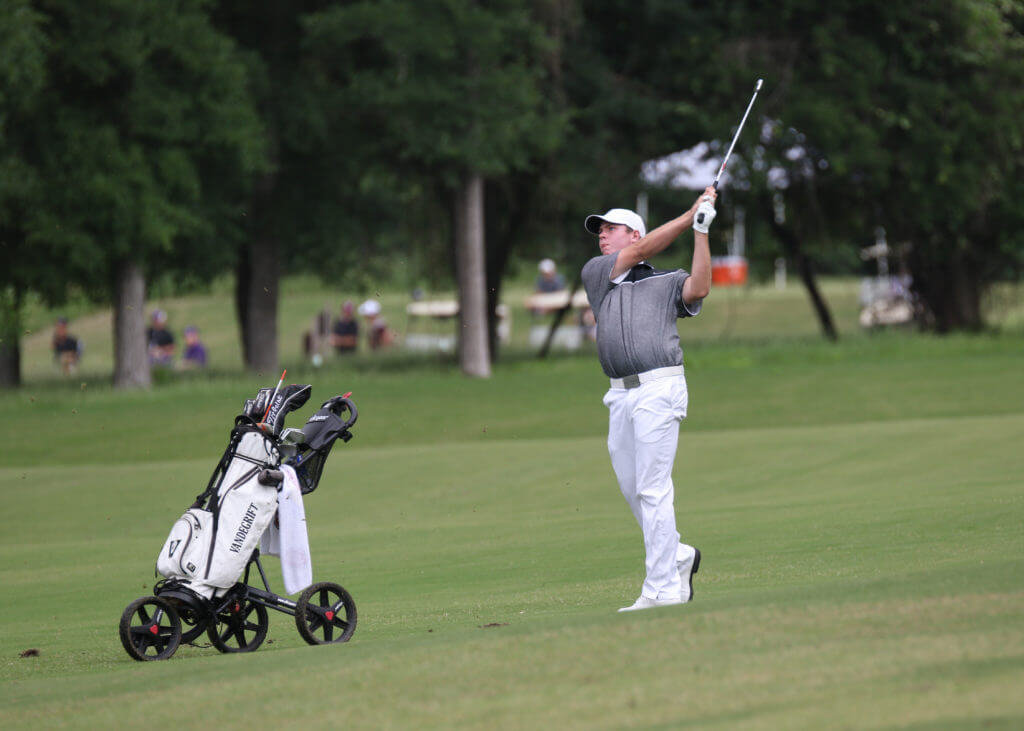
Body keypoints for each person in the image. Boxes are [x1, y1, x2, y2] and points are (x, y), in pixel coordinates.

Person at [580, 187, 717, 612]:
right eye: (599, 230)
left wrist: (700, 231)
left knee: (654, 490)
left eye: (611, 228)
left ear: (634, 232)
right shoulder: (597, 274)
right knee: (633, 490)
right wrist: (689, 212)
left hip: (660, 387)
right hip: (618, 395)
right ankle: (678, 556)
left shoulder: (666, 280)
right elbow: (642, 250)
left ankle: (660, 591)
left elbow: (699, 289)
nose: (602, 235)